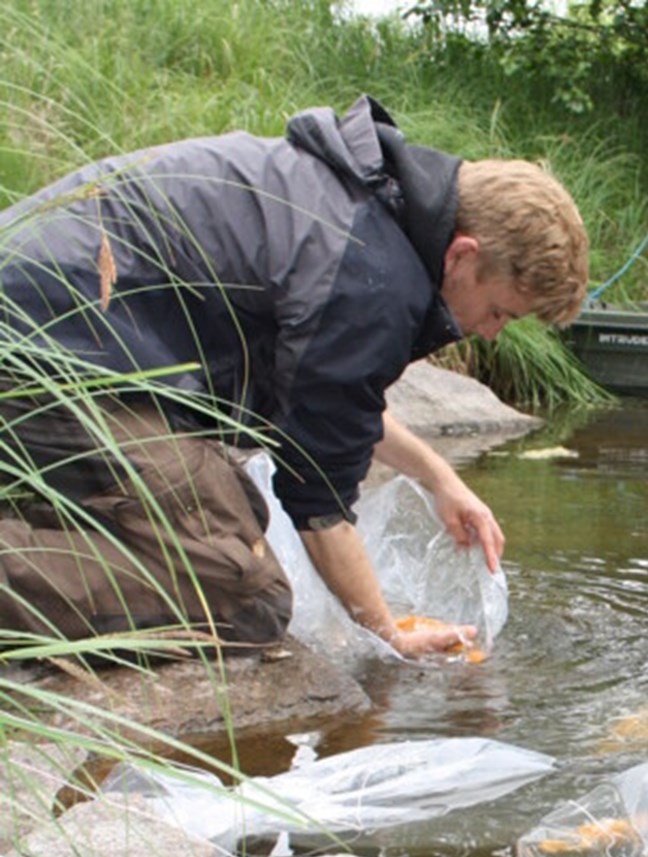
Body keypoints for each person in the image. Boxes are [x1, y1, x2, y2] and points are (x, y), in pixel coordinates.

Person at [0, 94, 588, 659]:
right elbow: (319, 501)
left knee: (239, 522)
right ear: (462, 254)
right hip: (48, 359)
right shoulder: (368, 277)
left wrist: (439, 478)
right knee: (247, 599)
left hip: (76, 343)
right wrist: (387, 635)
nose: (489, 333)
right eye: (500, 312)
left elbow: (327, 398)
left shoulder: (370, 212)